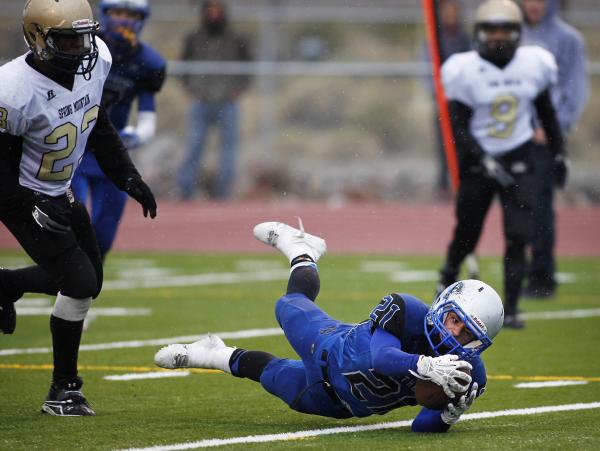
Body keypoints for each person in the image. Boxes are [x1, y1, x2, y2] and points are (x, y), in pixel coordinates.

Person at [155, 221, 504, 431]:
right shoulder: (408, 310)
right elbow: (382, 357)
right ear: (443, 306)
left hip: (338, 404)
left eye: (468, 334)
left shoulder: (468, 371)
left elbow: (421, 427)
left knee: (273, 376)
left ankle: (216, 353)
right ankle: (302, 251)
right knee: (289, 305)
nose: (454, 333)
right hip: (330, 349)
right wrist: (425, 365)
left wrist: (448, 414)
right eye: (455, 320)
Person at [0, 0, 157, 416]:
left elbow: (95, 119)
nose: (81, 48)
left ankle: (5, 285)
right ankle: (63, 389)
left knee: (90, 279)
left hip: (58, 188)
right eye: (68, 40)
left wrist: (127, 176)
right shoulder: (12, 88)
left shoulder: (97, 58)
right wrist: (30, 204)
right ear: (38, 38)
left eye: (85, 37)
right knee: (80, 281)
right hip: (21, 194)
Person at [436, 0, 566, 329]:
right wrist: (482, 159)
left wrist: (558, 152)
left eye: (505, 30)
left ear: (518, 33)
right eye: (492, 30)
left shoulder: (533, 65)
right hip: (479, 160)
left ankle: (511, 305)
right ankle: (446, 279)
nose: (498, 37)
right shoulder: (463, 69)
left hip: (518, 156)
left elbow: (546, 113)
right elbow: (457, 126)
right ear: (479, 33)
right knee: (467, 232)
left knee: (517, 235)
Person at [71, 0, 166, 262]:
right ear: (104, 14)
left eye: (129, 14)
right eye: (117, 13)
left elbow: (147, 117)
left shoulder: (147, 62)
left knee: (103, 236)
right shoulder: (79, 47)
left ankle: (84, 287)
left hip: (110, 153)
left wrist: (136, 135)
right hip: (72, 148)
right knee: (71, 221)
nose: (123, 20)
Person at [520, 0, 589, 298]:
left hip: (544, 141)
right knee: (517, 209)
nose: (533, 4)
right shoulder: (511, 34)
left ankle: (542, 277)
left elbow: (574, 90)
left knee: (540, 209)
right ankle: (517, 276)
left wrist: (551, 129)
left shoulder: (568, 40)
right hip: (514, 140)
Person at [176, 0, 252, 200]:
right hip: (201, 100)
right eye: (210, 9)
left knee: (228, 147)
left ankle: (223, 191)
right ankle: (186, 188)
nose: (214, 14)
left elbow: (248, 67)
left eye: (218, 9)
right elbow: (184, 66)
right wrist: (191, 89)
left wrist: (238, 89)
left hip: (227, 100)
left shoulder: (236, 38)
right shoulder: (194, 38)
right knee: (195, 144)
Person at [422, 0, 472, 197]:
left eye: (454, 11)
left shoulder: (464, 40)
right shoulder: (434, 40)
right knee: (442, 144)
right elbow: (428, 68)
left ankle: (461, 182)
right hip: (442, 100)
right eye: (446, 11)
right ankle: (442, 184)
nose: (450, 15)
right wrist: (436, 92)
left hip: (461, 100)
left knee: (463, 143)